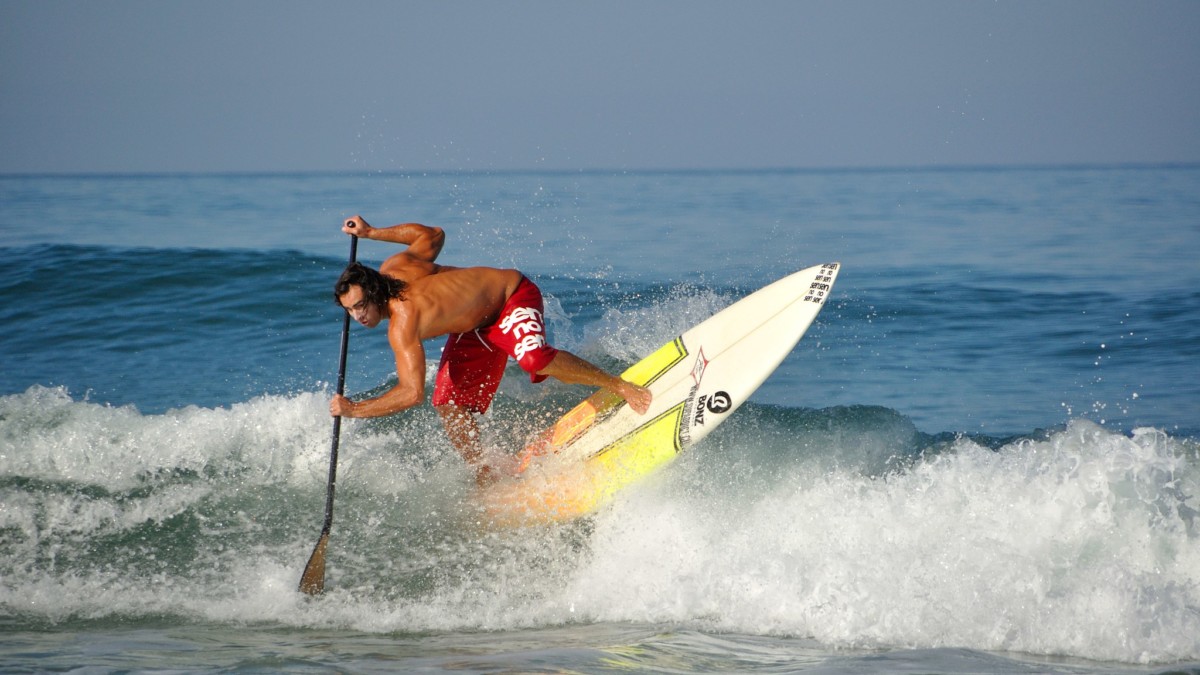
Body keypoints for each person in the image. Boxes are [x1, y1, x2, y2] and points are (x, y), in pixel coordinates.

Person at [329, 215, 652, 482]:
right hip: (475, 328)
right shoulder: (396, 265)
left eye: (360, 306)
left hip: (510, 297)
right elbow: (432, 235)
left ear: (372, 290)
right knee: (449, 405)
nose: (357, 316)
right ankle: (485, 473)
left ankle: (618, 385)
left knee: (536, 359)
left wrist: (355, 410)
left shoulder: (402, 322)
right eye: (349, 311)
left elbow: (411, 393)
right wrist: (371, 233)